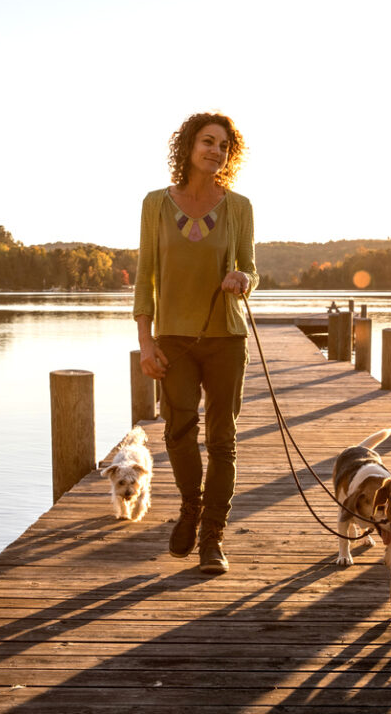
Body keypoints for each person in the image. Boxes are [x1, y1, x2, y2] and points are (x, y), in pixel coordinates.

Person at [133, 112, 258, 575]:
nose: (215, 151)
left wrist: (245, 278)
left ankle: (212, 537)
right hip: (174, 340)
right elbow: (145, 276)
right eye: (208, 141)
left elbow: (251, 269)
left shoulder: (239, 207)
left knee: (223, 440)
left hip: (227, 338)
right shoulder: (155, 204)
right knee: (178, 433)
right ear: (188, 146)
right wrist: (146, 343)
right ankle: (191, 506)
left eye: (223, 146)